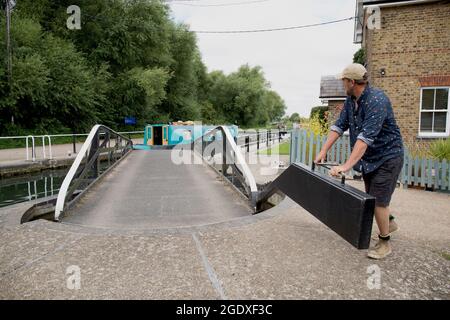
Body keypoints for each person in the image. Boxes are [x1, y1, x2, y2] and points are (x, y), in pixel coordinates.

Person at [315, 63, 404, 259]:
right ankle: (389, 222)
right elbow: (339, 126)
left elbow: (365, 139)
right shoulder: (351, 100)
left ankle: (384, 243)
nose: (342, 84)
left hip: (388, 155)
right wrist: (323, 151)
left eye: (344, 81)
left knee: (378, 201)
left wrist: (346, 166)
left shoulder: (376, 101)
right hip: (370, 158)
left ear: (352, 82)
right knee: (373, 197)